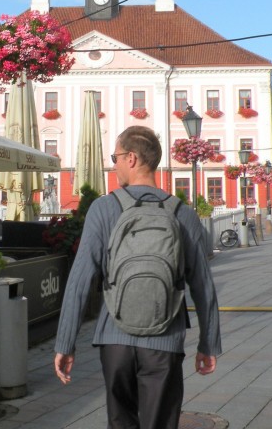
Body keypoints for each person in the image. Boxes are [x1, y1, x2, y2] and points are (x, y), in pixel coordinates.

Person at [53, 126, 221, 429]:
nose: (113, 164)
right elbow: (203, 287)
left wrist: (65, 343)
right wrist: (209, 344)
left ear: (131, 158)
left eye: (115, 156)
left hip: (113, 339)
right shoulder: (182, 212)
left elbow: (80, 280)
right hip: (165, 340)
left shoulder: (103, 208)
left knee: (120, 422)